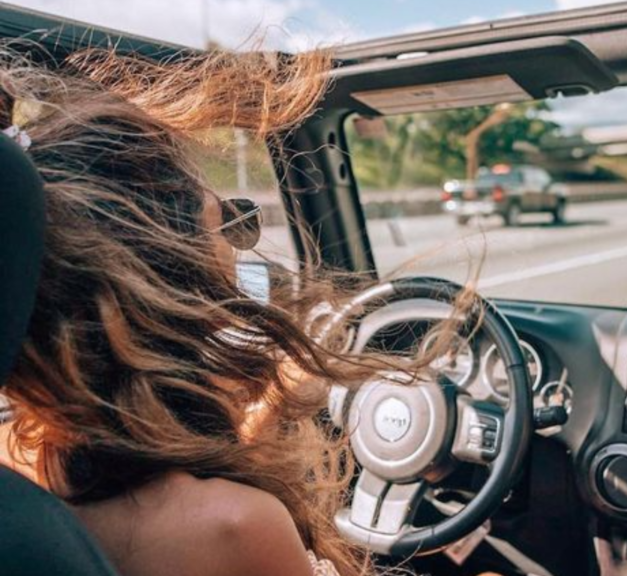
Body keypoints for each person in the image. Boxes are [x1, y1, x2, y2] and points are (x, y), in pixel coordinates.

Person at [0, 44, 432, 576]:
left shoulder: (14, 469)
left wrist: (267, 412)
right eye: (225, 223)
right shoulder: (236, 526)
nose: (234, 247)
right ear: (174, 275)